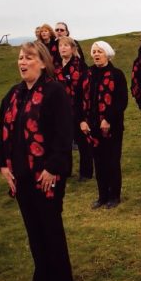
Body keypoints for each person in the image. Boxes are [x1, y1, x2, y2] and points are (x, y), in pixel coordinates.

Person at [0, 41, 74, 281]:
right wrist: (3, 165)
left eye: (28, 58)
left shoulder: (54, 92)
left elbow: (63, 135)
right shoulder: (14, 94)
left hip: (46, 174)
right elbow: (3, 133)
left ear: (42, 62)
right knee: (33, 226)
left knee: (50, 224)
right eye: (20, 58)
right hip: (21, 174)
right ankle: (41, 276)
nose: (22, 62)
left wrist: (52, 168)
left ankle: (60, 277)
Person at [78, 41, 128, 209]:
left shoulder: (117, 74)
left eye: (100, 51)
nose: (96, 54)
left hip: (112, 127)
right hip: (91, 127)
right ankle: (102, 196)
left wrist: (108, 119)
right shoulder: (87, 74)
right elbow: (78, 100)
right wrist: (82, 120)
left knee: (112, 161)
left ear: (107, 53)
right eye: (94, 52)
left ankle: (114, 196)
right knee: (98, 162)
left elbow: (121, 101)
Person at [55, 36, 93, 181]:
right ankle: (66, 170)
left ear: (72, 48)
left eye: (66, 45)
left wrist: (83, 115)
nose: (63, 48)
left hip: (78, 110)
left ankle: (86, 172)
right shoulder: (57, 67)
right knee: (64, 142)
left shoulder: (81, 66)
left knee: (83, 143)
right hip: (62, 111)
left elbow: (85, 92)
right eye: (60, 46)